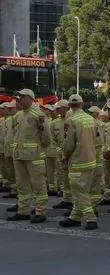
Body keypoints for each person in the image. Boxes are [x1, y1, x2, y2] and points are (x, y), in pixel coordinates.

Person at [8, 89, 51, 223]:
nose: (19, 99)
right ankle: (23, 211)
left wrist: (39, 149)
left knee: (38, 185)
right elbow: (15, 132)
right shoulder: (18, 115)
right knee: (22, 185)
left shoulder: (39, 115)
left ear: (30, 98)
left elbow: (46, 137)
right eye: (18, 97)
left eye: (21, 97)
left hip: (34, 157)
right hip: (19, 155)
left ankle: (40, 212)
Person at [59, 94, 99, 230]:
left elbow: (69, 144)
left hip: (77, 160)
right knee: (82, 190)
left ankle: (90, 218)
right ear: (82, 104)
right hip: (90, 159)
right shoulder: (91, 120)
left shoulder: (71, 121)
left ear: (69, 106)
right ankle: (75, 217)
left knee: (79, 191)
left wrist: (64, 155)